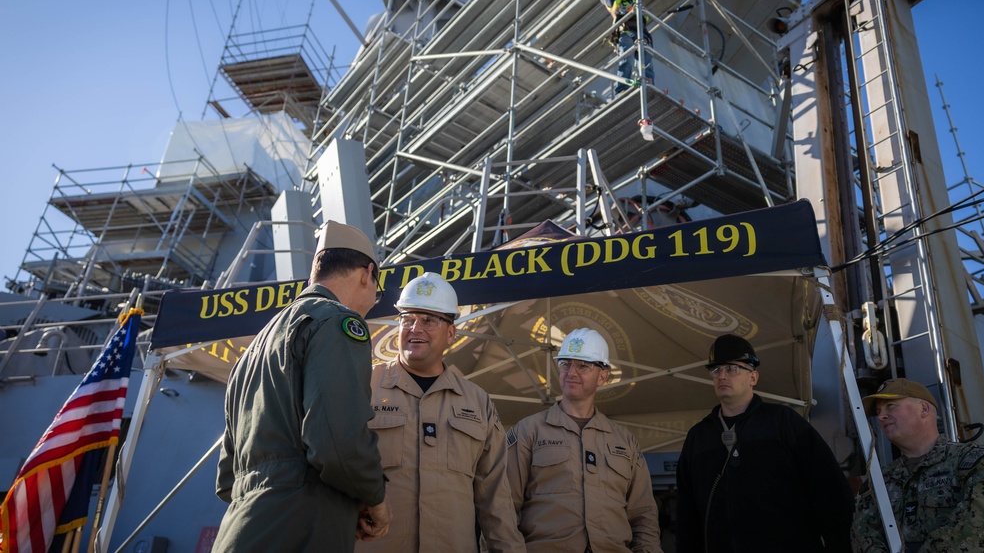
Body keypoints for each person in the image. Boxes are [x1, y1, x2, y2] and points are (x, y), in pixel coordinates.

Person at [214, 220, 391, 551]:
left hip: (239, 529)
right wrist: (375, 497)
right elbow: (337, 444)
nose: (371, 302)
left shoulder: (251, 352)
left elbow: (226, 479)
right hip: (299, 529)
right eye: (375, 293)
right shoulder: (338, 321)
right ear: (367, 273)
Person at [357, 272, 525, 553]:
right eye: (407, 319)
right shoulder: (364, 387)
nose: (415, 329)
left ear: (451, 332)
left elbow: (495, 499)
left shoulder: (477, 402)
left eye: (428, 320)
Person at [675, 334, 853, 553]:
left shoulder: (783, 422)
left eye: (731, 368)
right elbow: (686, 513)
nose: (722, 375)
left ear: (753, 378)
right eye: (716, 370)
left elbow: (830, 490)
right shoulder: (698, 437)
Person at [506, 328, 661, 552]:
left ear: (603, 376)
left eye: (583, 366)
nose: (571, 372)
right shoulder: (528, 431)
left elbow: (644, 514)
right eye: (566, 364)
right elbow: (503, 507)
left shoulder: (625, 441)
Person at [851, 377, 984, 552]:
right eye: (878, 411)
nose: (881, 416)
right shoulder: (879, 482)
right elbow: (863, 533)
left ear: (923, 409)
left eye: (891, 406)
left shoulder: (974, 462)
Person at [597, 0, 654, 98]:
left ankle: (649, 86)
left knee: (647, 61)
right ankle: (622, 90)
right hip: (626, 32)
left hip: (642, 32)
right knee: (626, 61)